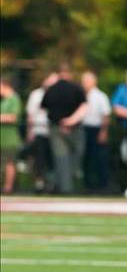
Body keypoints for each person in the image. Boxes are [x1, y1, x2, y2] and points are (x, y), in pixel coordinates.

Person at [41, 63, 87, 194]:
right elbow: (84, 107)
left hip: (56, 128)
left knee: (61, 158)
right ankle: (70, 183)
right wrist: (70, 121)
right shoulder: (77, 88)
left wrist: (61, 122)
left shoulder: (50, 89)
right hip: (75, 128)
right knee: (77, 154)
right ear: (70, 74)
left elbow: (44, 107)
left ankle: (65, 188)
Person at [26, 71, 58, 193]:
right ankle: (39, 184)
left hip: (53, 132)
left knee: (52, 160)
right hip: (39, 131)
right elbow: (31, 114)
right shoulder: (36, 94)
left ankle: (51, 184)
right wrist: (30, 131)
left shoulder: (57, 94)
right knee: (39, 160)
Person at [81, 71, 111, 192]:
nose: (85, 84)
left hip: (96, 129)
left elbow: (106, 115)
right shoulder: (81, 94)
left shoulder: (100, 96)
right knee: (86, 159)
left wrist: (103, 131)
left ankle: (102, 185)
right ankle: (88, 185)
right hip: (84, 129)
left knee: (99, 158)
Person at [0, 78, 22, 194]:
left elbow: (13, 117)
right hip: (2, 138)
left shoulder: (14, 98)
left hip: (10, 139)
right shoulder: (3, 100)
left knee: (10, 163)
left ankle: (8, 188)